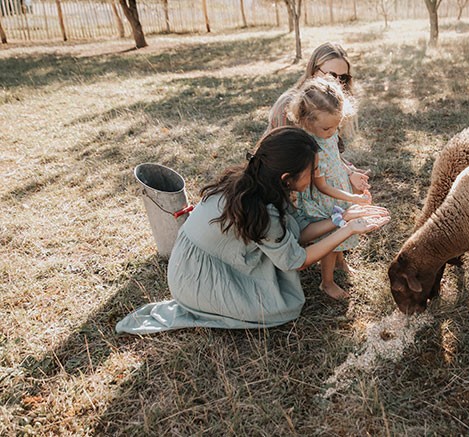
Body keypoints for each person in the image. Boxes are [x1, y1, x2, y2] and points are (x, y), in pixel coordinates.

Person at [116, 127, 390, 335]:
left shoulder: (257, 181)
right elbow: (297, 259)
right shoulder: (262, 209)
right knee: (283, 308)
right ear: (287, 178)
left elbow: (297, 232)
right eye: (313, 170)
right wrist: (349, 229)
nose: (318, 175)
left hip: (198, 259)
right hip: (194, 277)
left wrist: (342, 217)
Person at [287, 77, 373, 300]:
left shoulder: (329, 133)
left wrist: (351, 174)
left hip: (338, 189)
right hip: (324, 198)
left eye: (337, 125)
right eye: (327, 127)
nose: (333, 131)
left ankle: (340, 262)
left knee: (341, 232)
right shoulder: (310, 146)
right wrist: (351, 199)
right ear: (306, 121)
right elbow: (322, 186)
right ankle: (327, 282)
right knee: (334, 234)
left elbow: (337, 159)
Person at [266, 42, 370, 194]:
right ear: (313, 71)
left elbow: (328, 150)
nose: (338, 83)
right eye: (331, 75)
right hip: (288, 179)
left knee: (359, 188)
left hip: (316, 171)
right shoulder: (288, 105)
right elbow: (282, 162)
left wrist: (349, 172)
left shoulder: (331, 103)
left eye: (344, 78)